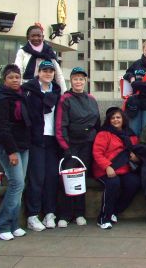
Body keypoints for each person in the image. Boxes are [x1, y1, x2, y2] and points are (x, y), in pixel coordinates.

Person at [55, 67, 100, 228]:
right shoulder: (65, 99)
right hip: (70, 145)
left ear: (85, 81)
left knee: (81, 179)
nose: (78, 81)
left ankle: (80, 213)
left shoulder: (91, 99)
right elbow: (60, 125)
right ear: (71, 81)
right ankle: (65, 214)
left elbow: (97, 123)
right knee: (66, 180)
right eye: (75, 79)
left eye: (81, 79)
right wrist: (65, 147)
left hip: (87, 144)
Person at [21, 60, 61, 232]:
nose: (48, 73)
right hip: (36, 139)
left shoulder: (57, 91)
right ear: (39, 72)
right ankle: (33, 215)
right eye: (44, 70)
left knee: (52, 178)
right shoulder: (29, 91)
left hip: (53, 139)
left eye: (50, 71)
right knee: (37, 178)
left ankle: (49, 213)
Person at [0, 64, 31, 240]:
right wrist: (11, 152)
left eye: (17, 77)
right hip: (9, 148)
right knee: (16, 184)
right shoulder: (2, 99)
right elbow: (2, 129)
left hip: (23, 145)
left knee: (20, 184)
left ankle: (14, 224)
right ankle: (2, 225)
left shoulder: (20, 96)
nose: (15, 80)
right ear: (4, 80)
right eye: (11, 77)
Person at [92, 107, 141, 229]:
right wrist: (107, 166)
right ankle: (103, 218)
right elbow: (97, 153)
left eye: (118, 117)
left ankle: (114, 211)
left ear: (123, 119)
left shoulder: (131, 135)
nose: (115, 120)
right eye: (112, 118)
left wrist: (136, 158)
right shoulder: (103, 133)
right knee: (113, 183)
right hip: (105, 169)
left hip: (124, 169)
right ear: (109, 120)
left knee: (134, 183)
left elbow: (138, 153)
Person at [15, 23, 66, 94]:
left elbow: (58, 75)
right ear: (28, 37)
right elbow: (18, 72)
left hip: (47, 90)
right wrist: (18, 92)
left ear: (43, 37)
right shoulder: (22, 52)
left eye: (39, 36)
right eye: (33, 36)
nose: (36, 38)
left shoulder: (50, 52)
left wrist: (64, 94)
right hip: (28, 90)